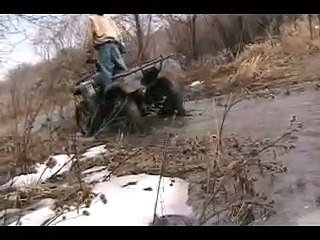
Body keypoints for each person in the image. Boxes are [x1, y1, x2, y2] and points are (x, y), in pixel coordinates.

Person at [85, 14, 128, 137]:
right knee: (121, 70)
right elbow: (117, 31)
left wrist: (89, 53)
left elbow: (90, 37)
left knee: (106, 72)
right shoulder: (108, 18)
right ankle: (126, 87)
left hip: (103, 46)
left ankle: (109, 97)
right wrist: (121, 45)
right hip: (115, 44)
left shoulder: (92, 19)